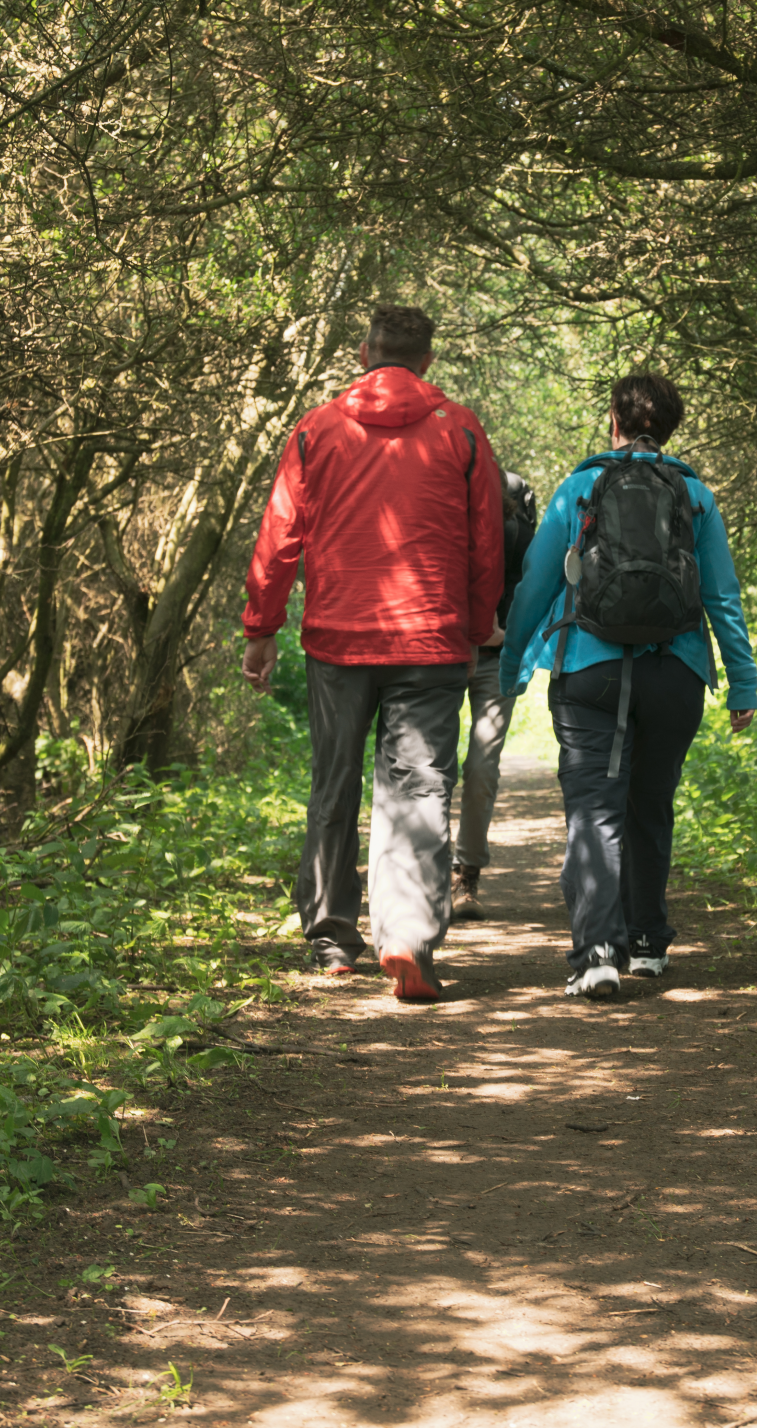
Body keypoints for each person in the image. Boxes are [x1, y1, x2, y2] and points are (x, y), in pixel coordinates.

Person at [242, 306, 502, 1003]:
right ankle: (408, 936)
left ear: (364, 353)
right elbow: (487, 541)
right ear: (426, 361)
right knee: (418, 787)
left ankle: (332, 937)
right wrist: (477, 624)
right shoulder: (461, 431)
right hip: (433, 639)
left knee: (334, 784)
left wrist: (260, 627)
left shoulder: (317, 429)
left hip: (338, 639)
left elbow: (279, 536)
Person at [499, 371, 756, 1001]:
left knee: (594, 807)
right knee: (650, 802)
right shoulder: (695, 495)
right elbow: (722, 597)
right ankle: (646, 943)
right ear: (670, 427)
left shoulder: (580, 487)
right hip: (676, 672)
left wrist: (511, 668)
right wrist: (742, 684)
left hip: (591, 668)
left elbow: (535, 585)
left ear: (613, 420)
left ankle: (596, 956)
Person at [447, 463, 540, 923]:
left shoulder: (516, 517)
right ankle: (425, 875)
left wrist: (516, 640)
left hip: (496, 657)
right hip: (441, 656)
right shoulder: (438, 505)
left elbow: (532, 586)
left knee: (481, 768)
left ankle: (467, 875)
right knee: (433, 768)